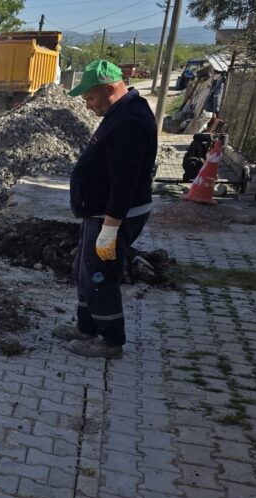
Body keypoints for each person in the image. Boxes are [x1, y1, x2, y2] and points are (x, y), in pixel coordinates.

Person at [56, 60, 157, 359]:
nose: (87, 105)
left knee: (100, 276)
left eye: (90, 98)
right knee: (84, 270)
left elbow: (125, 181)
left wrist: (110, 229)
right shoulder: (121, 112)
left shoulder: (129, 122)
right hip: (100, 213)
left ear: (110, 89)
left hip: (112, 216)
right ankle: (86, 327)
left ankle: (111, 341)